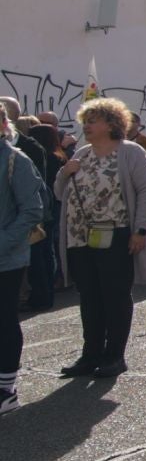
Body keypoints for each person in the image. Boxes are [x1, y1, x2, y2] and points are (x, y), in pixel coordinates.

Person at [51, 98, 146, 379]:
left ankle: (114, 356)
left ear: (111, 124)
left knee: (115, 296)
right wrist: (65, 172)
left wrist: (140, 230)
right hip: (79, 238)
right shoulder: (81, 154)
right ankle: (90, 355)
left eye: (92, 121)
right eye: (85, 121)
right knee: (89, 297)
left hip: (116, 235)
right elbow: (59, 193)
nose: (86, 126)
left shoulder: (131, 152)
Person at [1, 111, 47, 413]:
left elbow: (32, 210)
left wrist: (3, 242)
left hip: (6, 258)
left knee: (3, 320)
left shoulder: (15, 159)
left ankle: (6, 389)